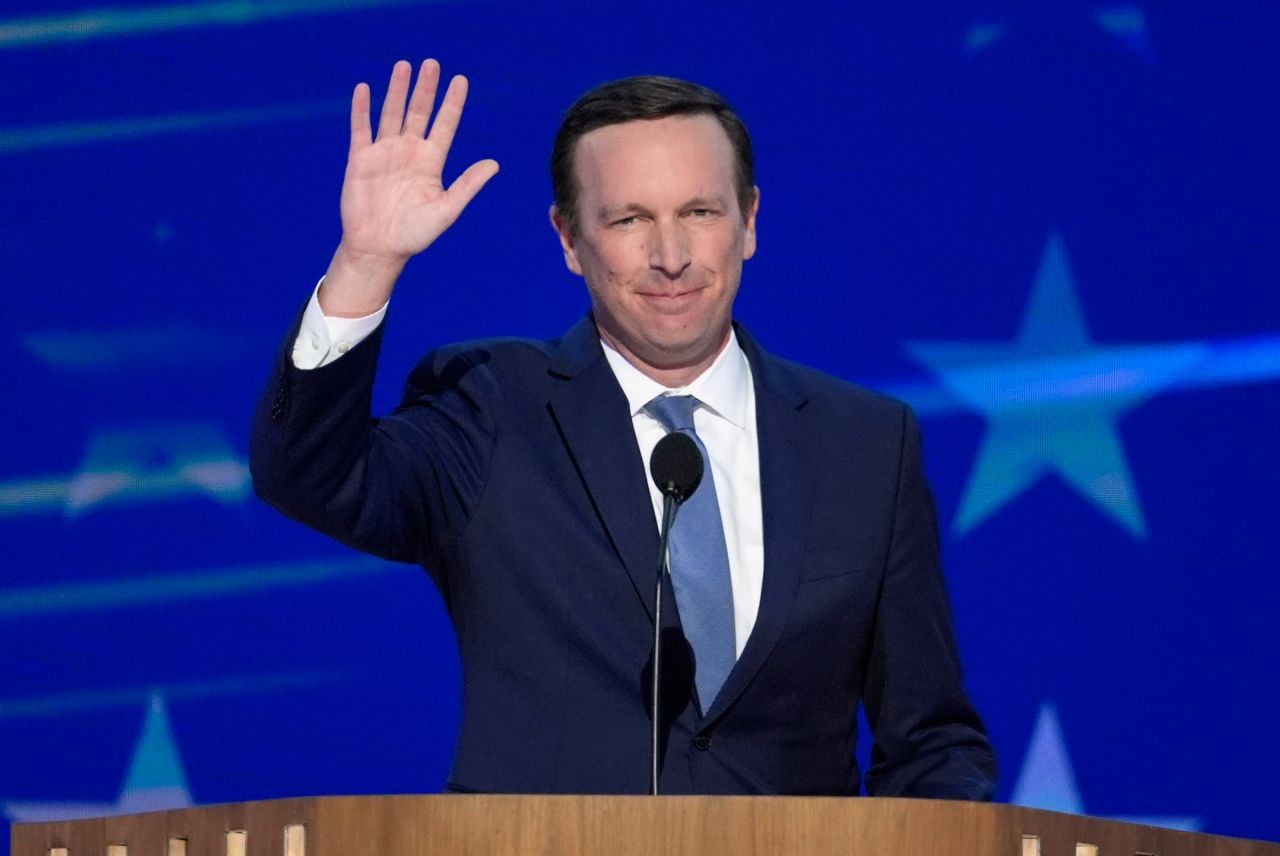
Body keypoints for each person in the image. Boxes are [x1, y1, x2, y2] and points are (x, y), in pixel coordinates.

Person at [251, 59, 997, 798]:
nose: (670, 258)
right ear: (571, 240)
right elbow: (311, 476)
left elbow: (930, 740)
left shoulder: (866, 442)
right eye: (630, 219)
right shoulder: (491, 408)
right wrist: (365, 264)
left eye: (699, 213)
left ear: (750, 222)